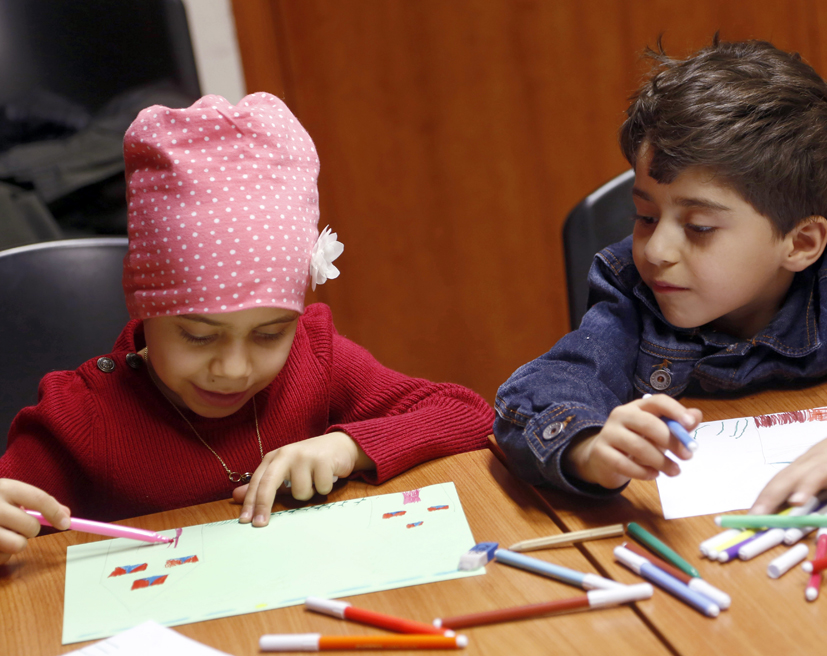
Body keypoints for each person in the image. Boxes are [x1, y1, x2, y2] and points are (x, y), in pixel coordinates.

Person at [493, 38, 827, 513]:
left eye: (699, 226)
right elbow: (543, 389)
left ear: (800, 244)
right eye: (646, 216)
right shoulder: (632, 293)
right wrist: (589, 448)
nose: (658, 249)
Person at [0, 93, 493, 565]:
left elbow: (469, 414)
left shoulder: (314, 358)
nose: (234, 370)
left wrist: (348, 447)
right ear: (145, 308)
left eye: (268, 334)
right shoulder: (83, 416)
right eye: (199, 335)